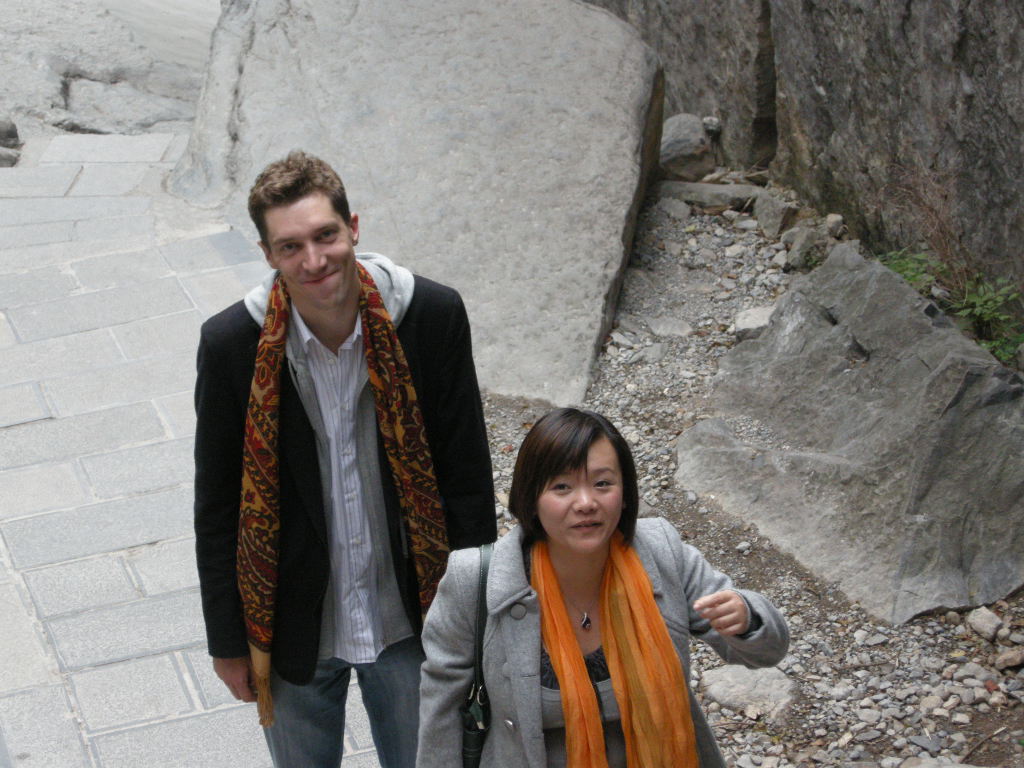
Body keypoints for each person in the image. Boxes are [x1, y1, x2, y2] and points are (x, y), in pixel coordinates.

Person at [193, 150, 496, 768]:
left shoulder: (432, 317)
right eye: (290, 247)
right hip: (292, 626)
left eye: (326, 235)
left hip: (412, 617)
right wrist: (229, 642)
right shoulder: (230, 346)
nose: (314, 260)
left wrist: (478, 616)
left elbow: (466, 480)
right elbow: (218, 506)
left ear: (353, 227)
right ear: (267, 254)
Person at [418, 407, 789, 768]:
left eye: (602, 484)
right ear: (531, 498)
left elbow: (766, 652)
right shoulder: (475, 579)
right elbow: (441, 712)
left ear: (624, 493)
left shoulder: (661, 551)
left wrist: (746, 619)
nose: (586, 503)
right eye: (562, 486)